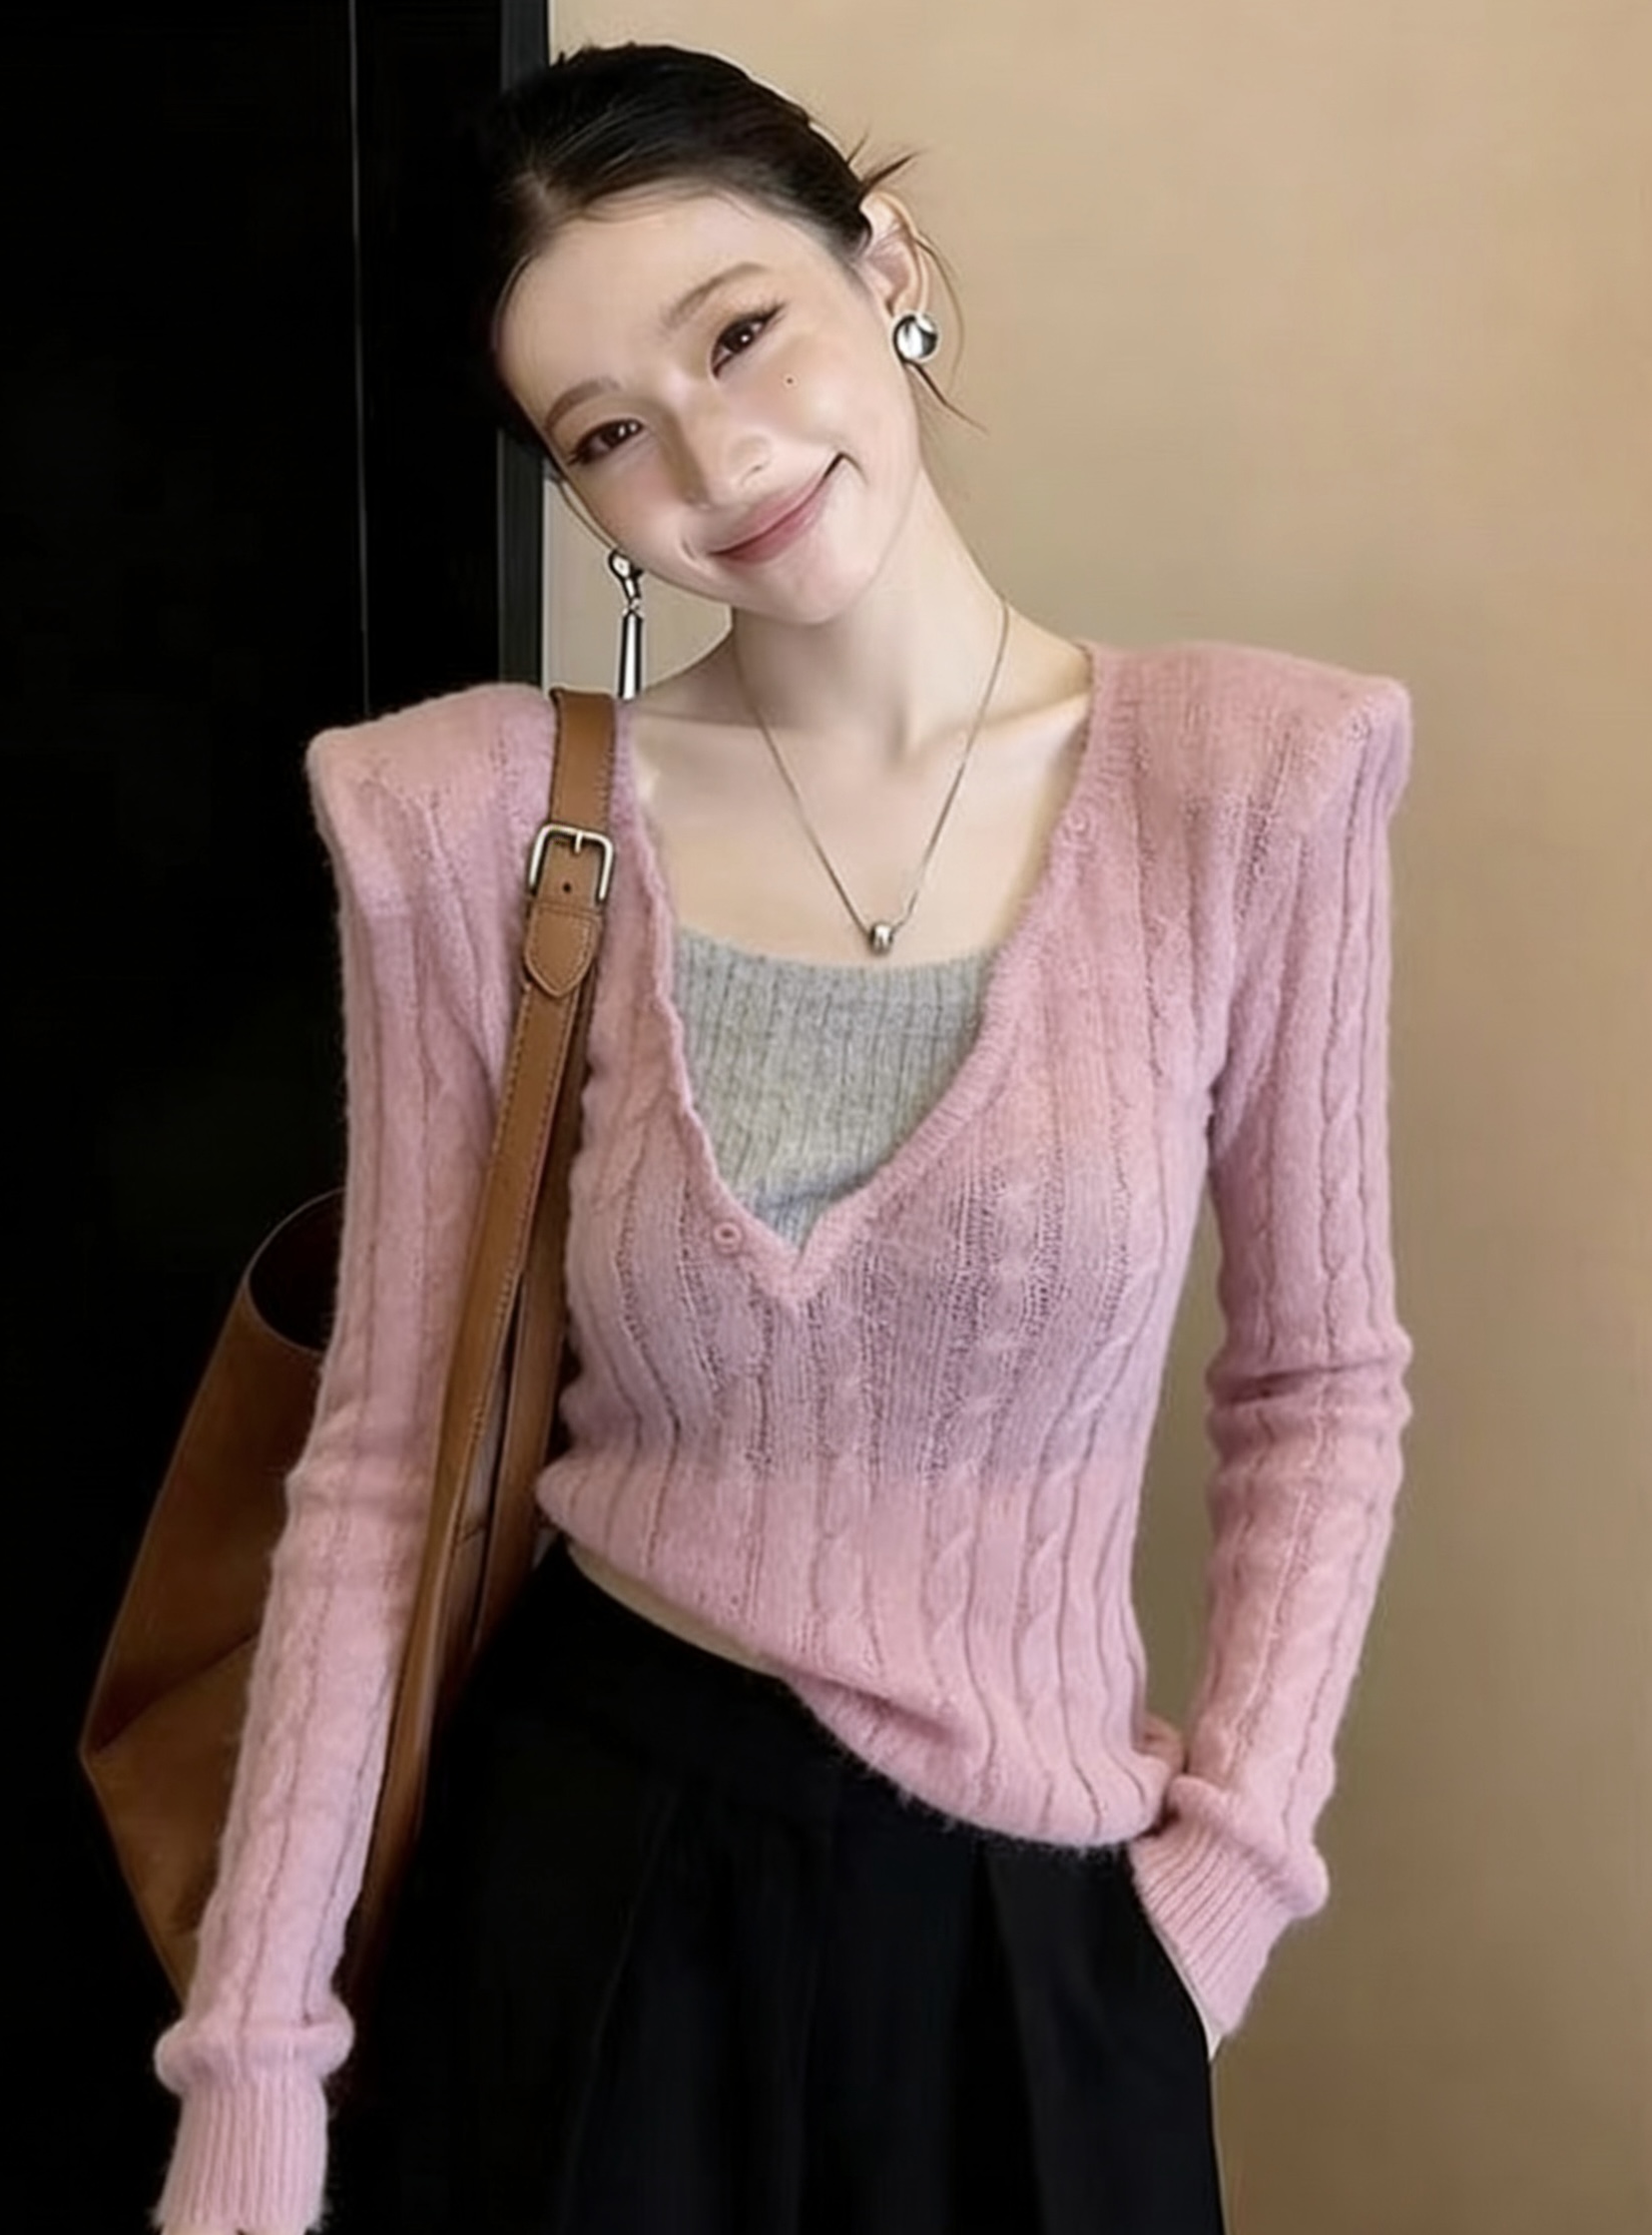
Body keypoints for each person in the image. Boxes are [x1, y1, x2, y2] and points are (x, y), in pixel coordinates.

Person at [152, 39, 1412, 2235]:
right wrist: (252, 2078)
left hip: (1042, 1919)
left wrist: (1220, 1885)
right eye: (606, 433)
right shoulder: (474, 820)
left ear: (881, 265)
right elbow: (381, 1458)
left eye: (739, 332)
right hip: (589, 1889)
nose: (714, 460)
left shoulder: (1252, 781)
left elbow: (1318, 1387)